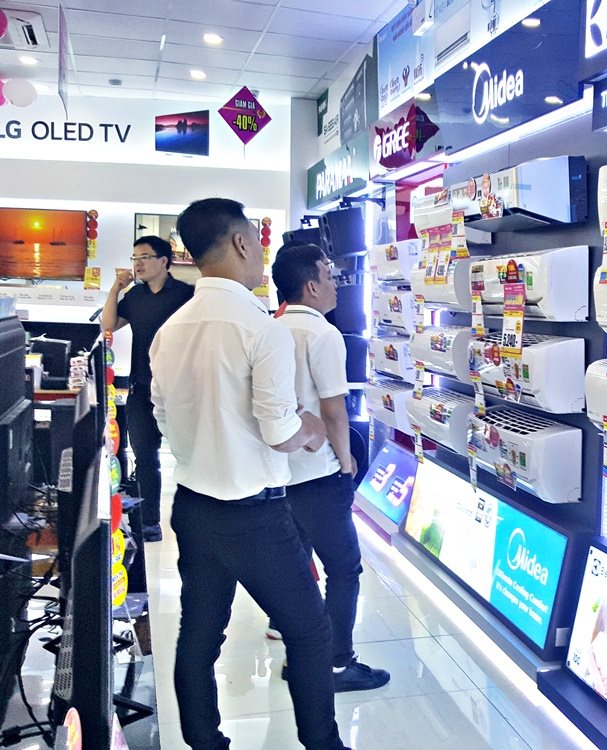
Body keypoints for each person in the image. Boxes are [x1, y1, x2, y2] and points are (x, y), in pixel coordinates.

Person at [149, 198, 350, 750]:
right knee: (309, 630)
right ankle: (324, 744)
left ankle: (205, 742)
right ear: (240, 242)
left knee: (198, 634)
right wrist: (312, 428)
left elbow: (162, 416)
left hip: (192, 505)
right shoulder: (262, 328)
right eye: (257, 241)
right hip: (254, 515)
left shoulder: (171, 328)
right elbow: (280, 431)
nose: (261, 254)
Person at [270, 242, 390, 692]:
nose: (336, 284)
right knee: (343, 569)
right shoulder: (322, 334)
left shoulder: (271, 327)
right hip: (318, 475)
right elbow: (334, 410)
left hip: (279, 471)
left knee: (296, 568)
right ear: (310, 285)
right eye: (328, 273)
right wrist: (345, 462)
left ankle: (299, 656)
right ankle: (337, 663)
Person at [101, 235, 194, 542]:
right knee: (145, 457)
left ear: (164, 261)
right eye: (134, 258)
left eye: (144, 257)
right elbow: (108, 325)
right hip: (142, 387)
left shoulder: (186, 294)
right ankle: (149, 524)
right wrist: (115, 289)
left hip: (181, 388)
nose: (137, 264)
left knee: (189, 457)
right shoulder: (135, 296)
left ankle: (193, 524)